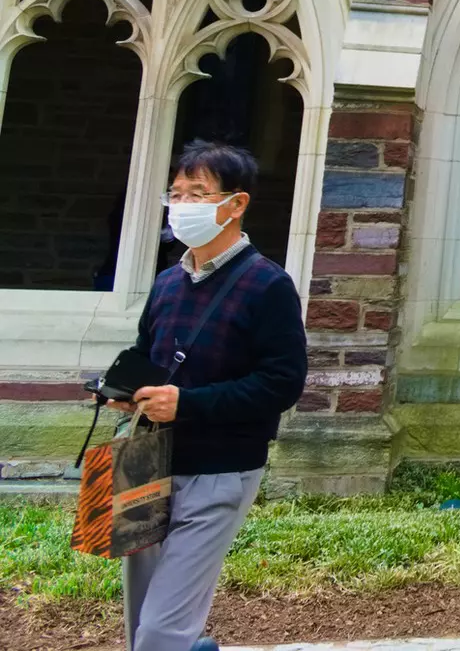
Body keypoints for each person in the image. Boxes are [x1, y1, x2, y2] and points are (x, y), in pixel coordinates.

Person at [115, 140, 309, 651]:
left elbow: (282, 383)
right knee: (140, 617)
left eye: (198, 193)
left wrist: (189, 404)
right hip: (147, 464)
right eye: (176, 194)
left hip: (219, 470)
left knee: (162, 630)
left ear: (236, 203)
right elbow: (146, 353)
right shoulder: (166, 283)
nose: (182, 206)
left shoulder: (268, 286)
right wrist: (126, 391)